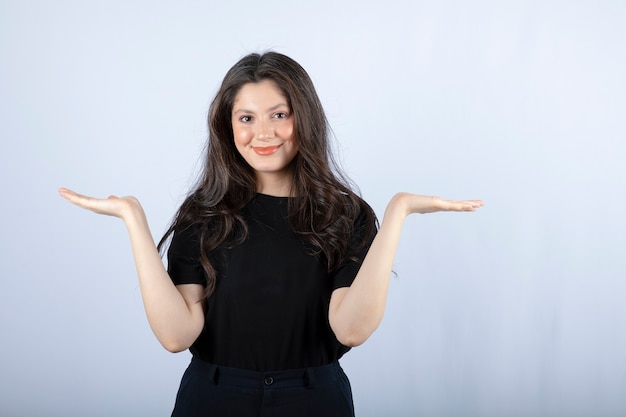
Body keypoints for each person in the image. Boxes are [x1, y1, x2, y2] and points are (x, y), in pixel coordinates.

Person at [59, 51, 483, 417]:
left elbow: (351, 330)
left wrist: (397, 212)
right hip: (214, 397)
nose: (263, 133)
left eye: (279, 115)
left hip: (314, 398)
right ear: (228, 127)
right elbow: (176, 336)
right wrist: (133, 219)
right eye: (247, 118)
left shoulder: (345, 214)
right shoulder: (203, 214)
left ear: (304, 118)